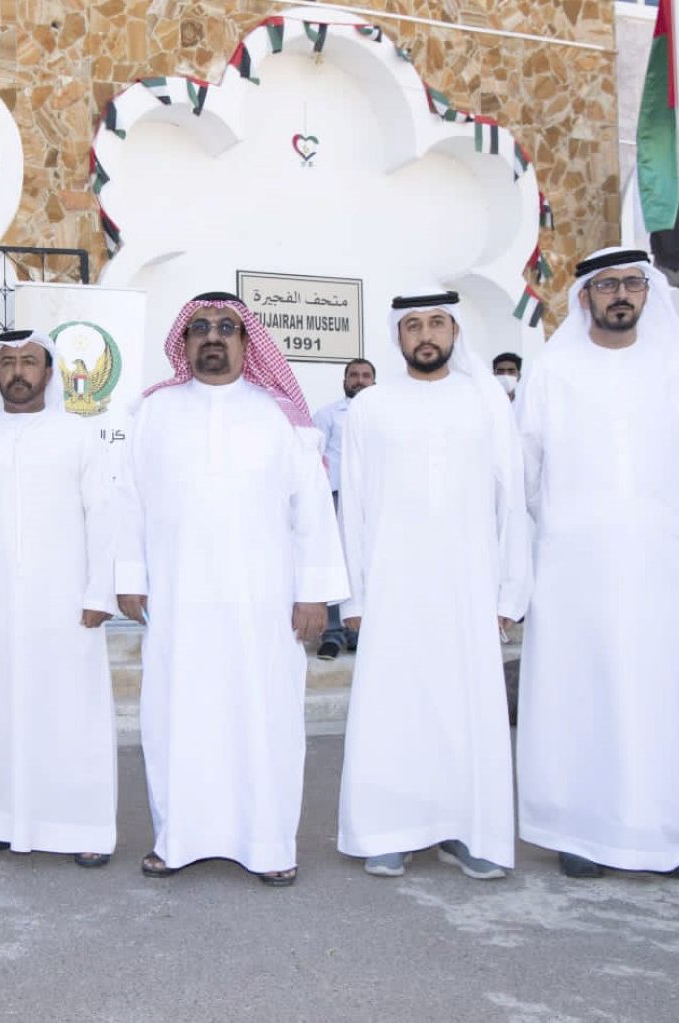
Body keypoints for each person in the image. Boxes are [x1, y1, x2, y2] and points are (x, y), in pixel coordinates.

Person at [115, 291, 347, 886]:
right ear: (184, 341)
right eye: (199, 327)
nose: (212, 337)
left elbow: (312, 510)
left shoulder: (280, 416)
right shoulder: (154, 413)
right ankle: (178, 840)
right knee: (177, 716)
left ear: (247, 342)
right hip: (179, 597)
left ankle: (268, 844)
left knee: (264, 716)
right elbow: (129, 500)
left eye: (226, 327)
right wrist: (130, 577)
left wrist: (314, 593)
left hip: (262, 602)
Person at [515, 248, 679, 880]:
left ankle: (663, 837)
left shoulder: (676, 368)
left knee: (660, 693)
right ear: (586, 297)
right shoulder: (554, 370)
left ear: (648, 293)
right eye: (607, 285)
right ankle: (578, 832)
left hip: (658, 561)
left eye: (632, 283)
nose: (621, 294)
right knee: (580, 690)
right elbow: (527, 469)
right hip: (576, 565)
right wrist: (574, 526)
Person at [335, 289, 531, 880]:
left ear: (455, 332)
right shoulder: (371, 406)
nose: (426, 335)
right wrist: (354, 597)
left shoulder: (485, 400)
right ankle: (389, 830)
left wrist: (510, 592)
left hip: (469, 584)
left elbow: (511, 498)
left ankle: (466, 832)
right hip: (392, 583)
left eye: (438, 323)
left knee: (465, 710)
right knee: (393, 708)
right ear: (398, 336)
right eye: (413, 325)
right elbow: (353, 506)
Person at [0, 329, 117, 868]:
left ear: (48, 372)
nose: (18, 372)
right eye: (7, 363)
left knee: (72, 714)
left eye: (29, 362)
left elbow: (103, 516)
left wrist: (99, 591)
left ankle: (82, 825)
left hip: (66, 604)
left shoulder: (78, 435)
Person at [311, 357, 375, 659]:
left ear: (374, 381)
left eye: (365, 376)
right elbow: (313, 459)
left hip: (373, 500)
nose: (359, 380)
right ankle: (333, 633)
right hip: (336, 497)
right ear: (345, 381)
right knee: (337, 564)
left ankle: (361, 631)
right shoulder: (327, 415)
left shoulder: (384, 416)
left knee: (366, 563)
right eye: (354, 375)